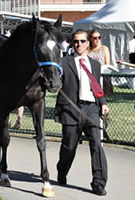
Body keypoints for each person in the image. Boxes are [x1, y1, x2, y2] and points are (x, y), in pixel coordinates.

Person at [55, 29, 109, 196]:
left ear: (88, 43)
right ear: (72, 43)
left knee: (96, 144)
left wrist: (103, 103)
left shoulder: (95, 65)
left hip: (91, 108)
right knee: (69, 147)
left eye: (82, 41)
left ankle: (99, 182)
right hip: (71, 108)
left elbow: (97, 87)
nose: (79, 44)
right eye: (76, 41)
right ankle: (62, 170)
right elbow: (54, 79)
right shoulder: (64, 62)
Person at [88, 29, 113, 96]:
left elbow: (107, 63)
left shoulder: (104, 48)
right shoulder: (87, 50)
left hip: (103, 73)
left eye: (99, 37)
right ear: (90, 39)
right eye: (95, 38)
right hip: (91, 74)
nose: (97, 39)